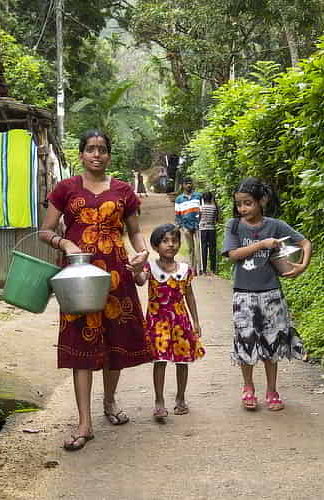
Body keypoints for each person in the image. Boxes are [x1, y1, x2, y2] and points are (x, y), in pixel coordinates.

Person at [39, 130, 152, 451]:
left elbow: (135, 233)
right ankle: (84, 423)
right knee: (81, 346)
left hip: (117, 277)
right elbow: (45, 232)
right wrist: (65, 241)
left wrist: (142, 254)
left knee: (114, 342)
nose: (97, 154)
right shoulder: (65, 189)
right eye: (91, 149)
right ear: (81, 155)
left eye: (102, 149)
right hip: (77, 278)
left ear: (109, 155)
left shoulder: (124, 192)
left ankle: (110, 402)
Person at [222, 177, 312, 411]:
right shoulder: (233, 225)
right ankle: (248, 387)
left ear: (262, 201)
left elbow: (305, 243)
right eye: (240, 204)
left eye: (248, 203)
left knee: (272, 343)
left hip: (272, 294)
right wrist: (262, 245)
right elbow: (233, 254)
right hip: (243, 295)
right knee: (246, 342)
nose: (243, 209)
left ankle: (272, 390)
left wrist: (302, 265)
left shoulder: (276, 225)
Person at [133, 223, 205, 419]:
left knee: (183, 361)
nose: (170, 245)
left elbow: (189, 296)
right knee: (160, 360)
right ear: (156, 247)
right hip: (157, 322)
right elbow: (139, 280)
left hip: (181, 322)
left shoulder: (184, 269)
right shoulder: (150, 268)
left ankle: (181, 398)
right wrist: (135, 268)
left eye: (174, 241)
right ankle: (159, 401)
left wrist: (196, 322)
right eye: (165, 241)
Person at [174, 177, 201, 271]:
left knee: (198, 248)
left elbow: (203, 209)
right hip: (186, 227)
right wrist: (180, 226)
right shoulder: (179, 199)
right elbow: (177, 214)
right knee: (191, 249)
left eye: (190, 183)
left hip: (198, 225)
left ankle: (200, 269)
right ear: (183, 185)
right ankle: (193, 269)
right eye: (186, 183)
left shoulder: (198, 196)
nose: (189, 185)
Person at [199, 191, 219, 275]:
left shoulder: (201, 208)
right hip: (212, 229)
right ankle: (213, 269)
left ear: (203, 198)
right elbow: (216, 219)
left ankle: (204, 269)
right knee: (212, 248)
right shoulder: (214, 208)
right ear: (211, 198)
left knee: (203, 248)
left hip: (203, 229)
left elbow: (199, 218)